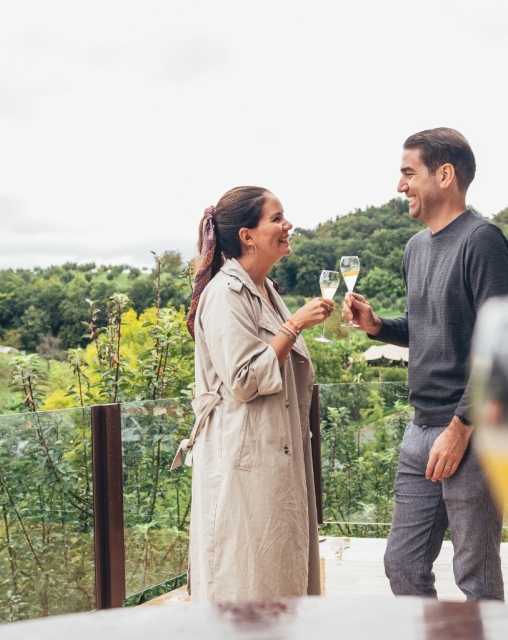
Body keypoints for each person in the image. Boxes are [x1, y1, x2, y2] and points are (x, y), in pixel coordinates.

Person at [343, 128, 508, 601]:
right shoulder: (415, 249)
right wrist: (378, 325)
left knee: (475, 576)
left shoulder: (482, 241)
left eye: (408, 173)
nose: (400, 186)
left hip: (471, 433)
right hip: (420, 431)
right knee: (402, 563)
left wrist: (461, 428)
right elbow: (426, 326)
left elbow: (500, 345)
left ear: (444, 174)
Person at [176, 186, 333, 602]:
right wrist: (294, 326)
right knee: (245, 577)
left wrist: (291, 323)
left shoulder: (267, 289)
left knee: (279, 575)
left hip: (275, 456)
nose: (288, 225)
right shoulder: (225, 294)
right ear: (248, 236)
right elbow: (243, 379)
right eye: (277, 218)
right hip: (242, 462)